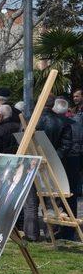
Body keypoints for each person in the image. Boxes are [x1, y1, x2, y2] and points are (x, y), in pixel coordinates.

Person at [53, 98, 81, 240]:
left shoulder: (60, 123)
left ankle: (63, 228)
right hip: (75, 162)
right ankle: (69, 230)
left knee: (61, 197)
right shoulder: (76, 123)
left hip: (63, 163)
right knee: (71, 198)